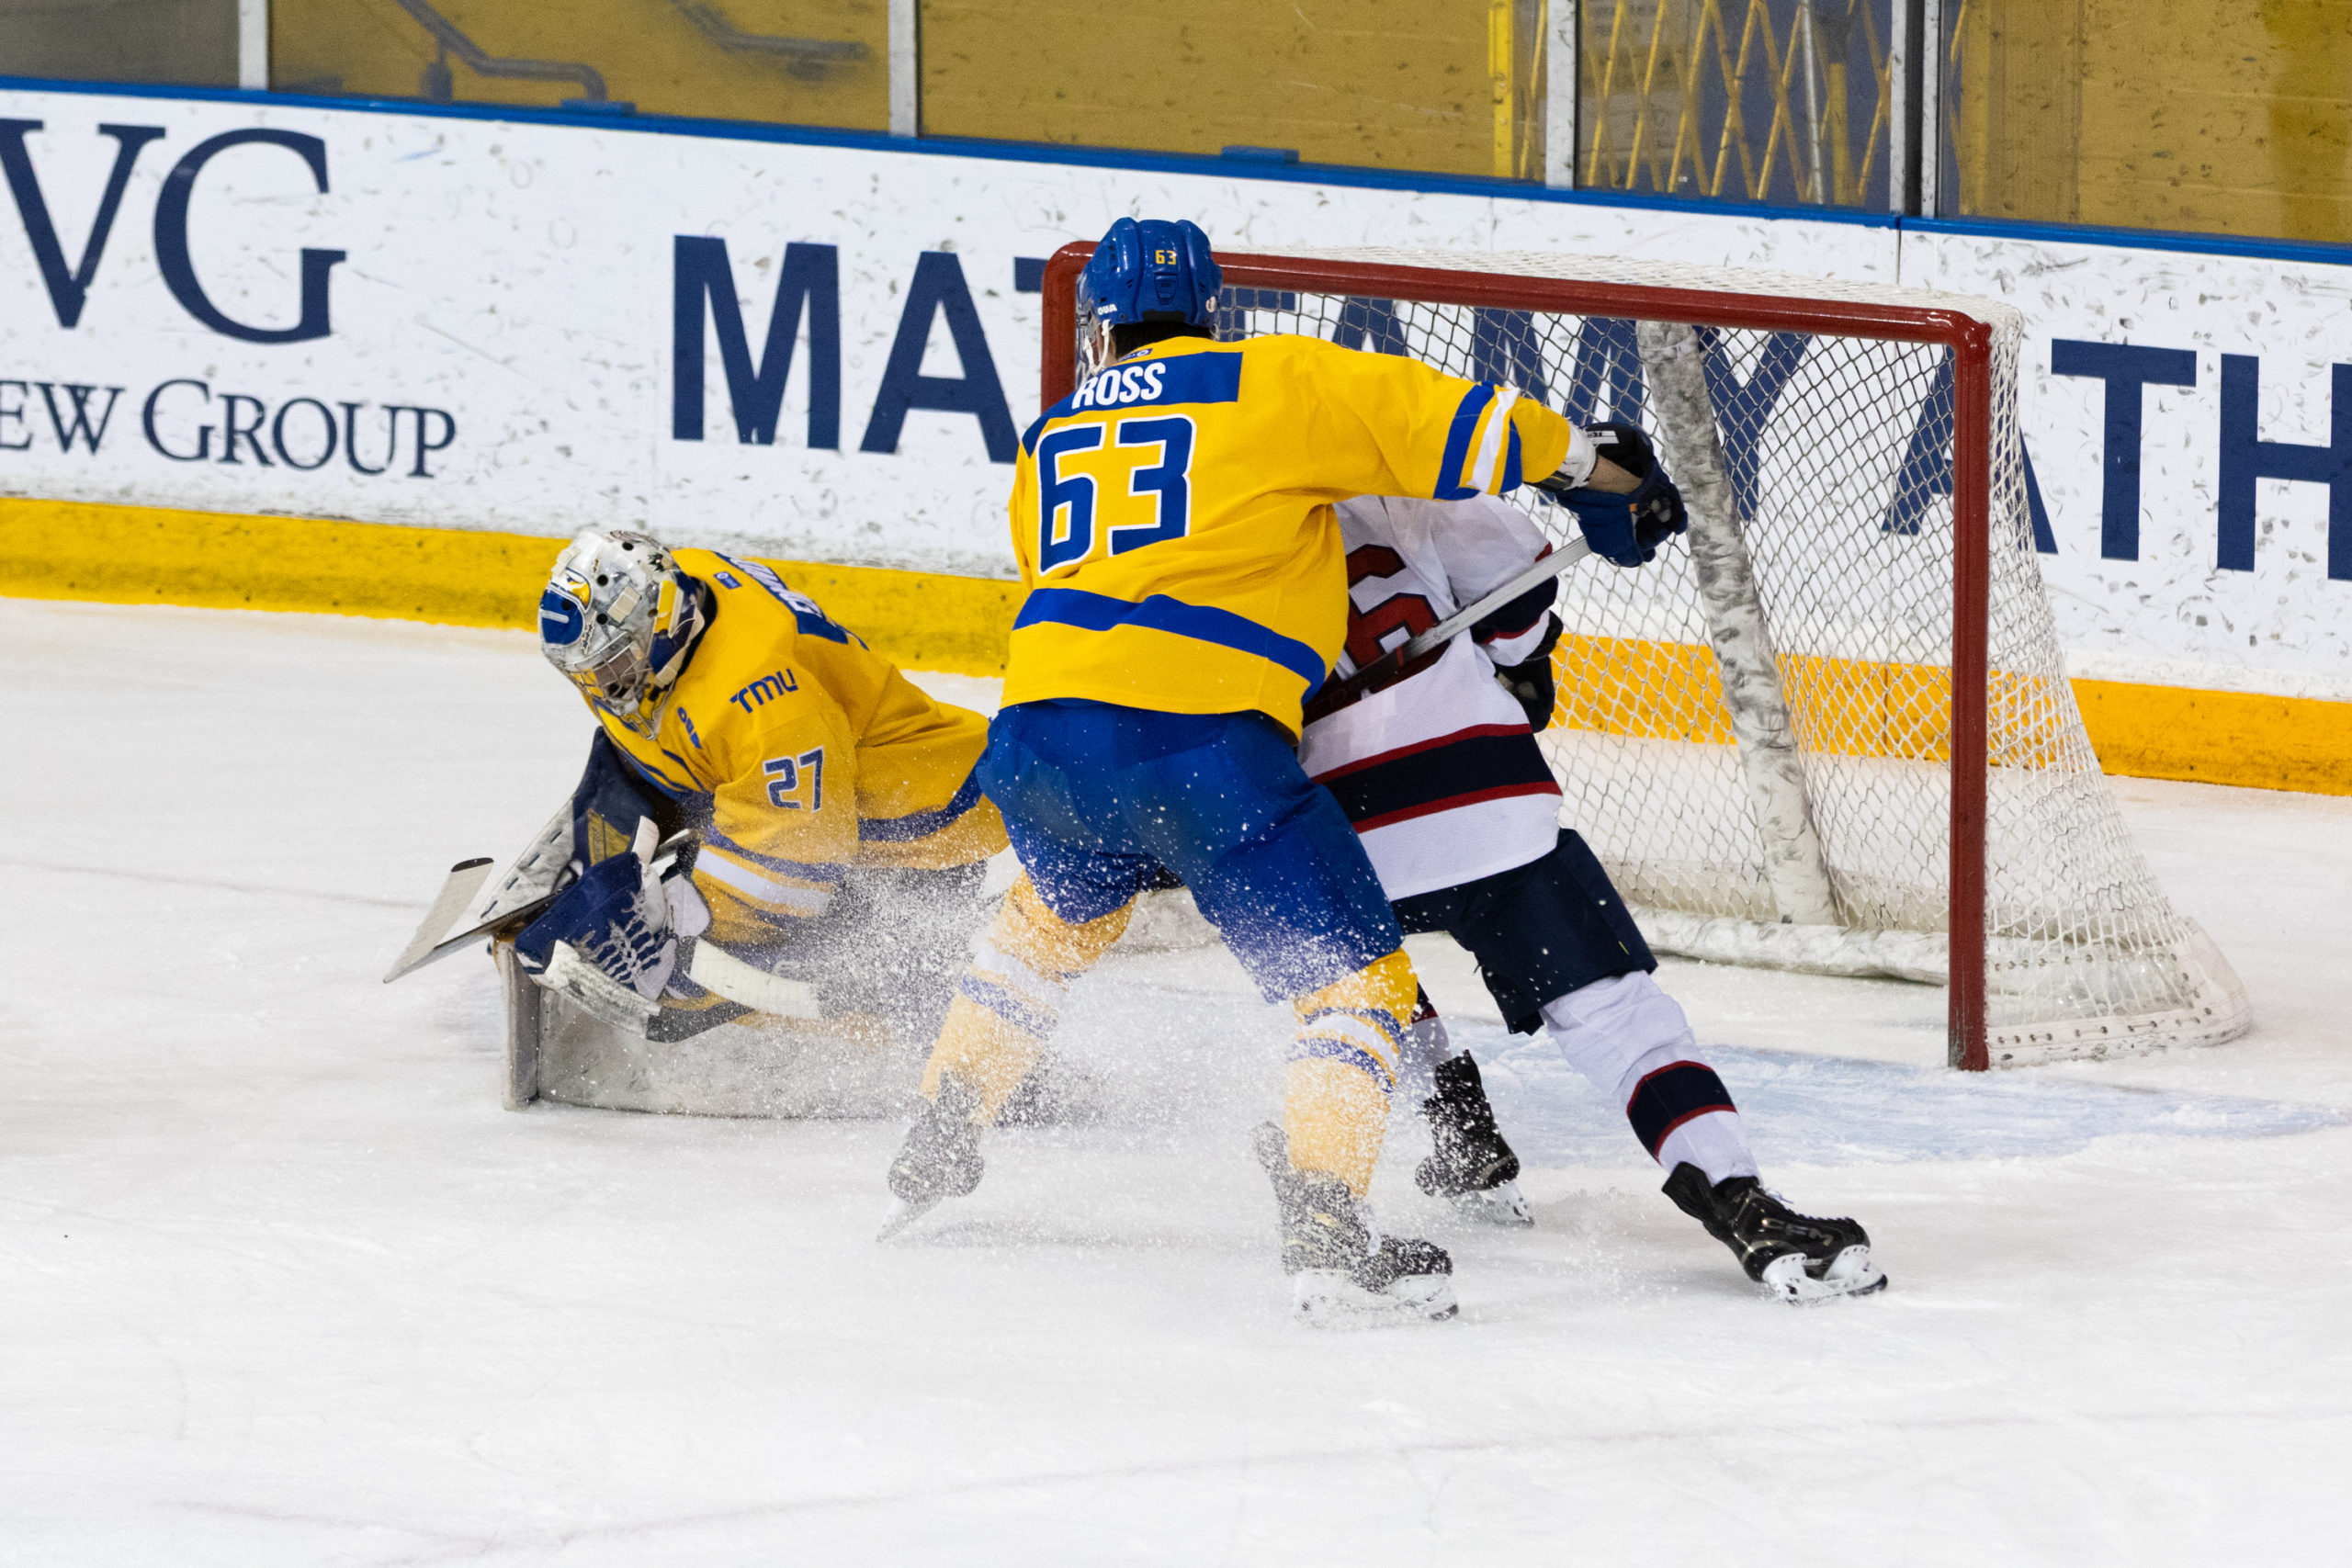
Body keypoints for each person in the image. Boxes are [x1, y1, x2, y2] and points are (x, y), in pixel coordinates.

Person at [876, 216, 1678, 1325]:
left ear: (1100, 324)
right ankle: (1327, 1231)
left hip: (1036, 734)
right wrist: (1596, 469)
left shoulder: (1051, 433)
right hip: (1200, 739)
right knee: (1355, 987)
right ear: (1212, 308)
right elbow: (1465, 424)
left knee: (1048, 923)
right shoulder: (1270, 379)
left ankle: (945, 1123)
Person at [1299, 484, 1887, 1303]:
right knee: (1621, 1016)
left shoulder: (1224, 529)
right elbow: (1520, 596)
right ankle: (1739, 1198)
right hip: (1490, 805)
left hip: (1340, 825)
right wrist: (1518, 654)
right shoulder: (1396, 485)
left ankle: (1458, 1119)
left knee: (1363, 991)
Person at [514, 529, 1007, 1043]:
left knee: (856, 980)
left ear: (661, 624)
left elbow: (798, 859)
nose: (601, 689)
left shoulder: (765, 706)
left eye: (612, 667)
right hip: (808, 791)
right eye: (586, 674)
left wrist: (681, 937)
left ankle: (959, 1048)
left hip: (917, 826)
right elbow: (690, 730)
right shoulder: (681, 583)